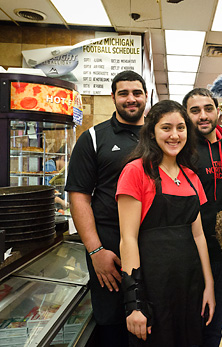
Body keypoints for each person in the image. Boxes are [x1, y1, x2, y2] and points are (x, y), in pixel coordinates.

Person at [117, 100, 215, 345]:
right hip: (152, 285)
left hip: (190, 284)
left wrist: (209, 285)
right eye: (166, 128)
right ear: (152, 132)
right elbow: (127, 239)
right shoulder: (136, 171)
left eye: (181, 128)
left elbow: (198, 235)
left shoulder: (191, 176)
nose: (175, 135)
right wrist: (134, 303)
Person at [65, 70, 147, 346]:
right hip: (109, 247)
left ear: (146, 96)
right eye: (123, 93)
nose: (131, 99)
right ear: (113, 97)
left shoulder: (160, 136)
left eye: (137, 92)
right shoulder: (93, 138)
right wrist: (96, 251)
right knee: (112, 324)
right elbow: (79, 196)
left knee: (153, 320)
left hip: (152, 245)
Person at [183, 88, 222, 346]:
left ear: (218, 112)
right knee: (188, 327)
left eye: (208, 109)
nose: (203, 116)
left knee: (214, 328)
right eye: (195, 111)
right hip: (187, 254)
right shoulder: (180, 152)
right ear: (186, 115)